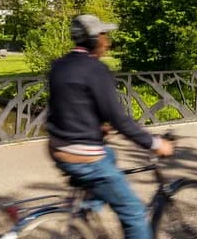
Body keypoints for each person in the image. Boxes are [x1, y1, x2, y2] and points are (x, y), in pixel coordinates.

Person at [46, 14, 174, 239]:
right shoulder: (96, 70)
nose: (107, 41)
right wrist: (155, 143)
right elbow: (120, 120)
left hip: (57, 147)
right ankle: (86, 212)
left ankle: (86, 211)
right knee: (134, 213)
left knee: (111, 155)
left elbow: (68, 106)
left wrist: (95, 127)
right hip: (84, 157)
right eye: (103, 35)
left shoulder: (59, 65)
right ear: (94, 39)